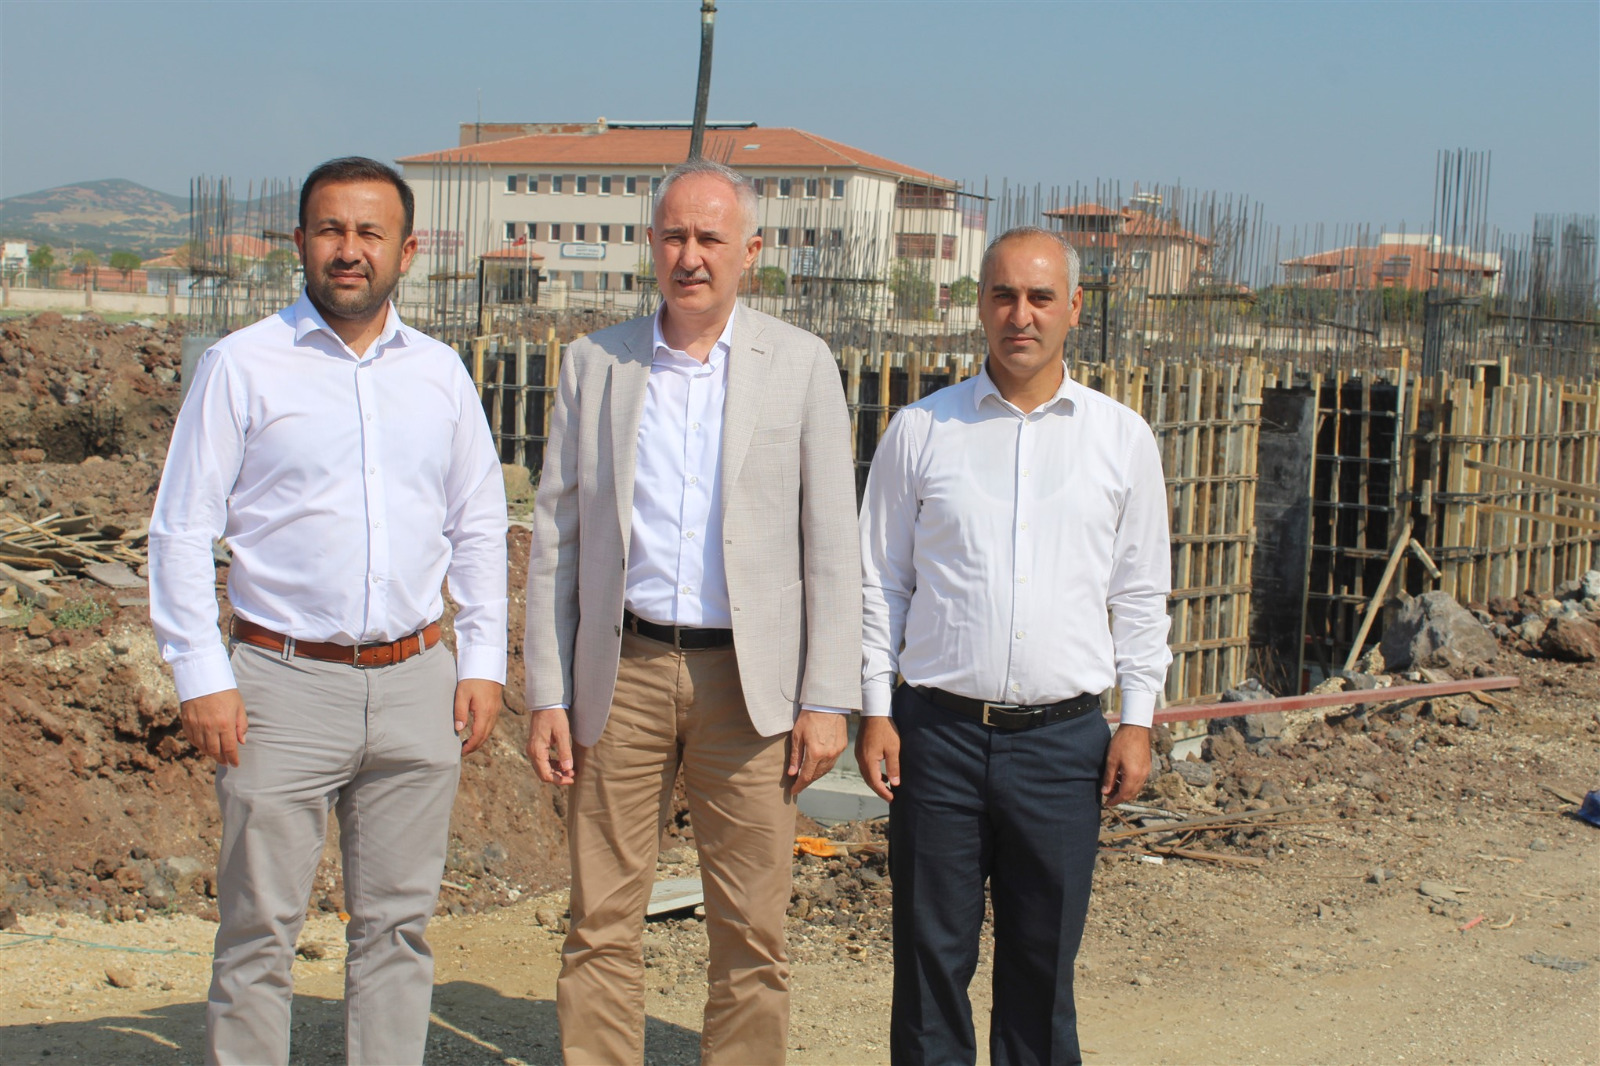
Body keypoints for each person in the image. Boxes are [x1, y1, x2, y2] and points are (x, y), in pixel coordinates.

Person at [149, 156, 508, 1065]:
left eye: (369, 233)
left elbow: (478, 525)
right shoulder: (242, 366)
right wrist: (201, 673)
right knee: (259, 929)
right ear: (301, 243)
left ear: (406, 251)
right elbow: (181, 529)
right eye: (331, 230)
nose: (350, 250)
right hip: (281, 685)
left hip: (416, 683)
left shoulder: (440, 375)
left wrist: (481, 663)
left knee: (397, 928)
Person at [524, 157, 861, 1065]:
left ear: (751, 250)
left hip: (750, 687)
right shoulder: (597, 364)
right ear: (651, 245)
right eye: (674, 236)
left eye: (711, 237)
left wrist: (828, 698)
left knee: (752, 928)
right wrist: (547, 691)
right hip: (621, 674)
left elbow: (833, 544)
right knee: (601, 918)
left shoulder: (800, 366)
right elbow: (557, 537)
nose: (691, 256)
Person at [856, 227, 1172, 1066]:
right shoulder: (921, 432)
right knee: (930, 967)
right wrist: (876, 709)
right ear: (980, 307)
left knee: (1041, 968)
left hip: (1064, 747)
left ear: (1074, 308)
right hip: (938, 739)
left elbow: (1140, 593)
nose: (1020, 315)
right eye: (1003, 295)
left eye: (1039, 297)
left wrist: (1137, 720)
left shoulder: (1120, 439)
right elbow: (880, 582)